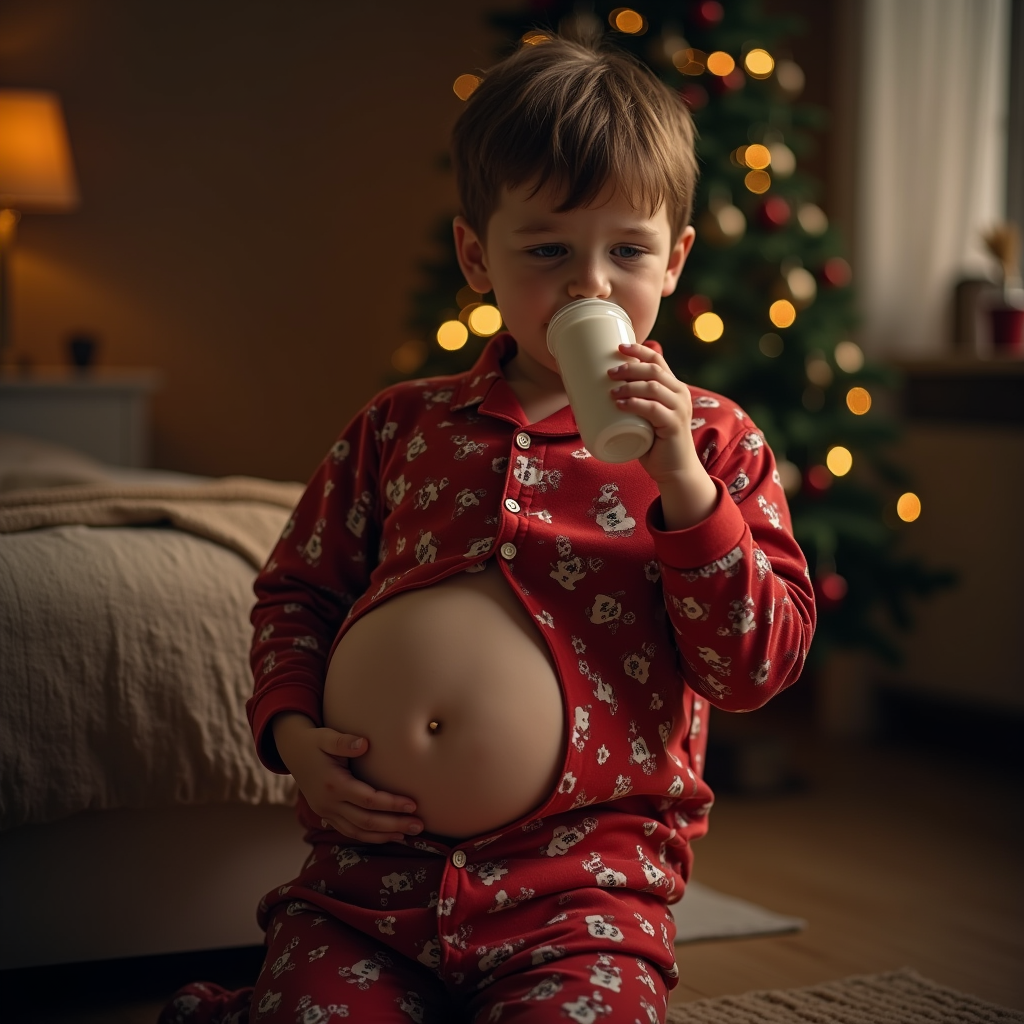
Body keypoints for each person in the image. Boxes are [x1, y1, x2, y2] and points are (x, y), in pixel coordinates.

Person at [160, 32, 814, 1024]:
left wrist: (679, 480)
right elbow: (298, 590)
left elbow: (754, 664)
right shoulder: (401, 425)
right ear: (478, 255)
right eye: (547, 249)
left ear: (674, 260)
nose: (589, 285)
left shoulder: (715, 442)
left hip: (582, 894)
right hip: (367, 886)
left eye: (626, 251)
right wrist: (294, 736)